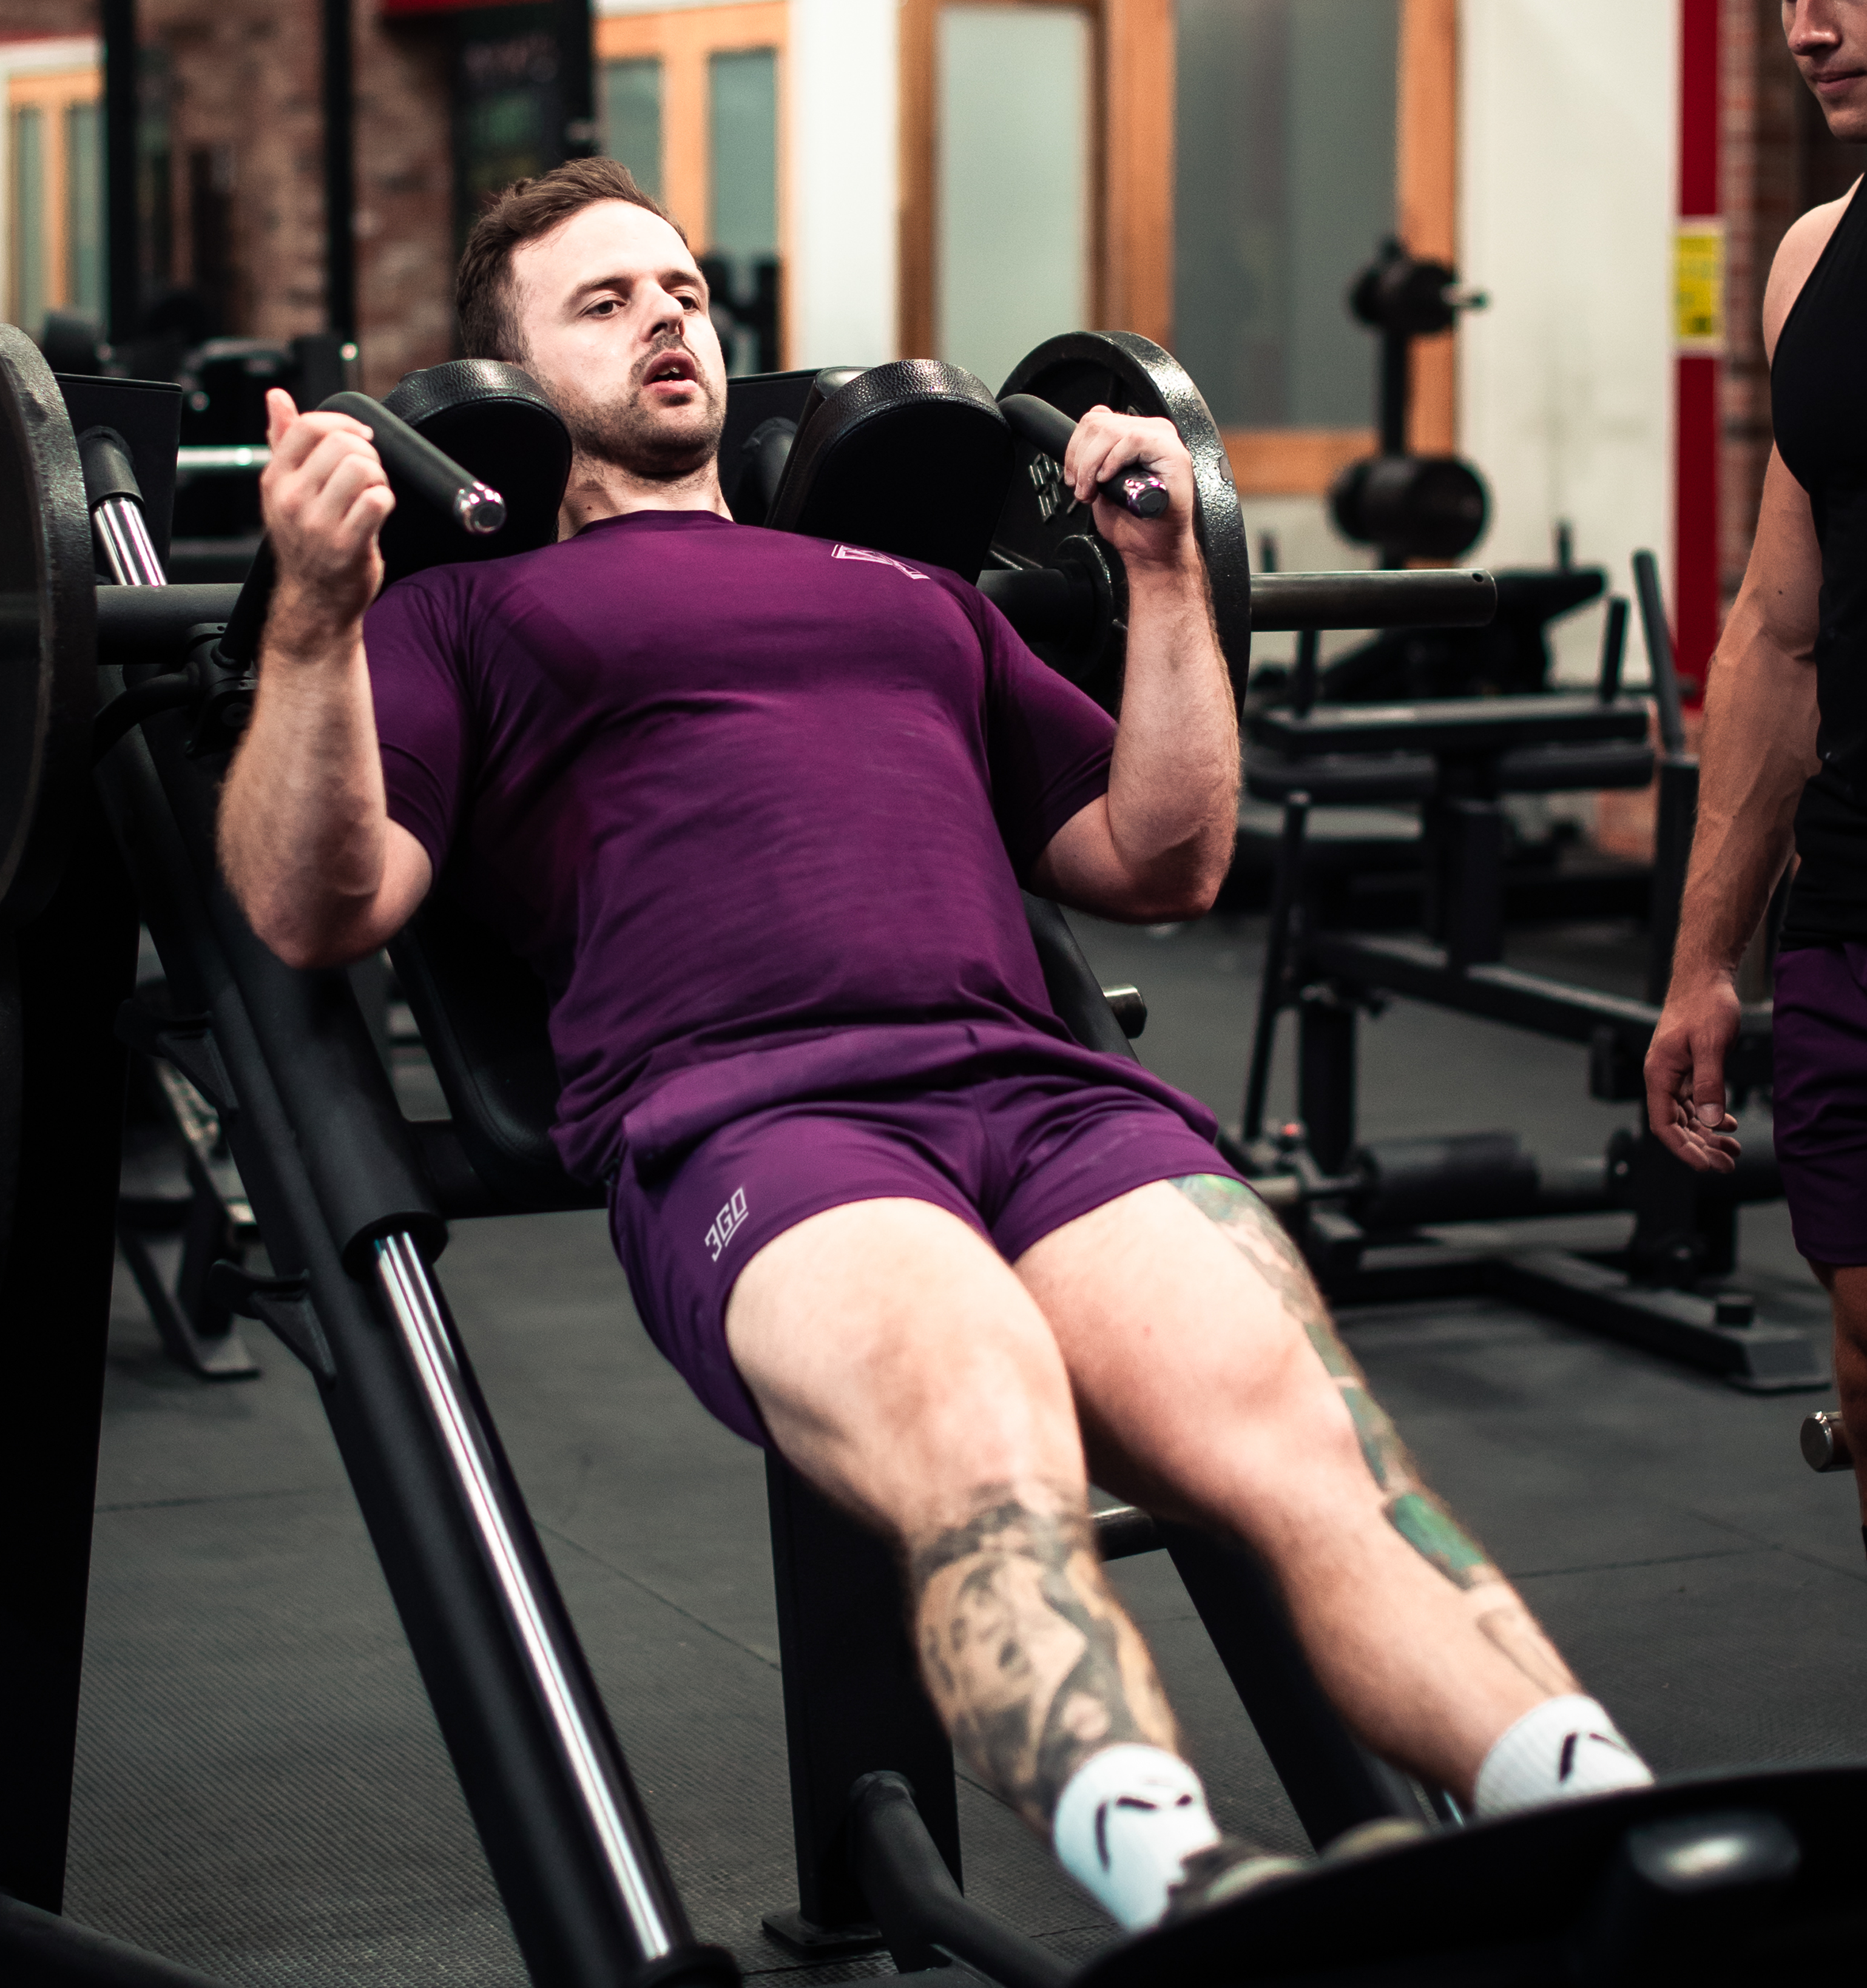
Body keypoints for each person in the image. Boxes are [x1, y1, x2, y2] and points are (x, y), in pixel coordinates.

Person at [220, 158, 1652, 1930]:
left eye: (682, 291)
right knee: (988, 1458)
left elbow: (1160, 859)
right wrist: (312, 615)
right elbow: (316, 904)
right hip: (764, 1124)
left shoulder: (907, 592)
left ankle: (1611, 1827)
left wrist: (1163, 573)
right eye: (605, 302)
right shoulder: (462, 614)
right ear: (512, 377)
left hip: (1049, 1100)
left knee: (1317, 1456)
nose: (666, 318)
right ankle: (1181, 1886)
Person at [1644, 0, 1867, 1557]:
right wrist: (1702, 958)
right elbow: (1782, 636)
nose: (1807, 27)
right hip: (1850, 910)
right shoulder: (1809, 264)